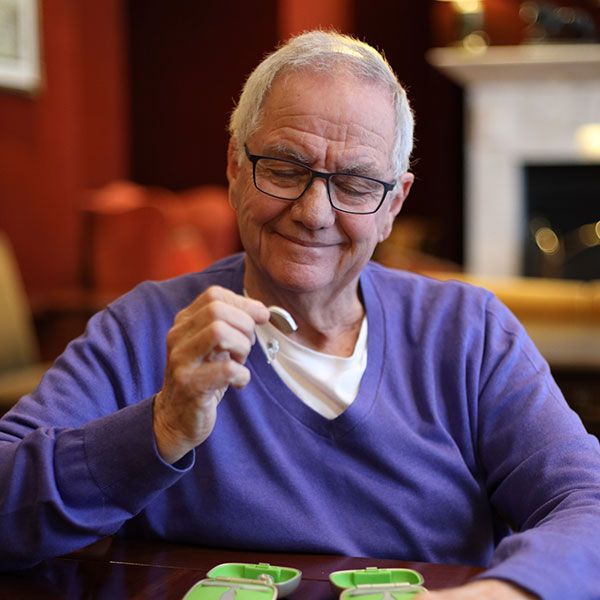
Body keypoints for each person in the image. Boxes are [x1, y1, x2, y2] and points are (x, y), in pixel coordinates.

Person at [0, 30, 599, 599]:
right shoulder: (143, 328)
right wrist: (161, 428)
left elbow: (586, 501)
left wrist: (502, 590)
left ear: (395, 203)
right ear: (235, 166)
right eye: (285, 169)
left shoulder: (469, 331)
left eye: (357, 183)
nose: (314, 212)